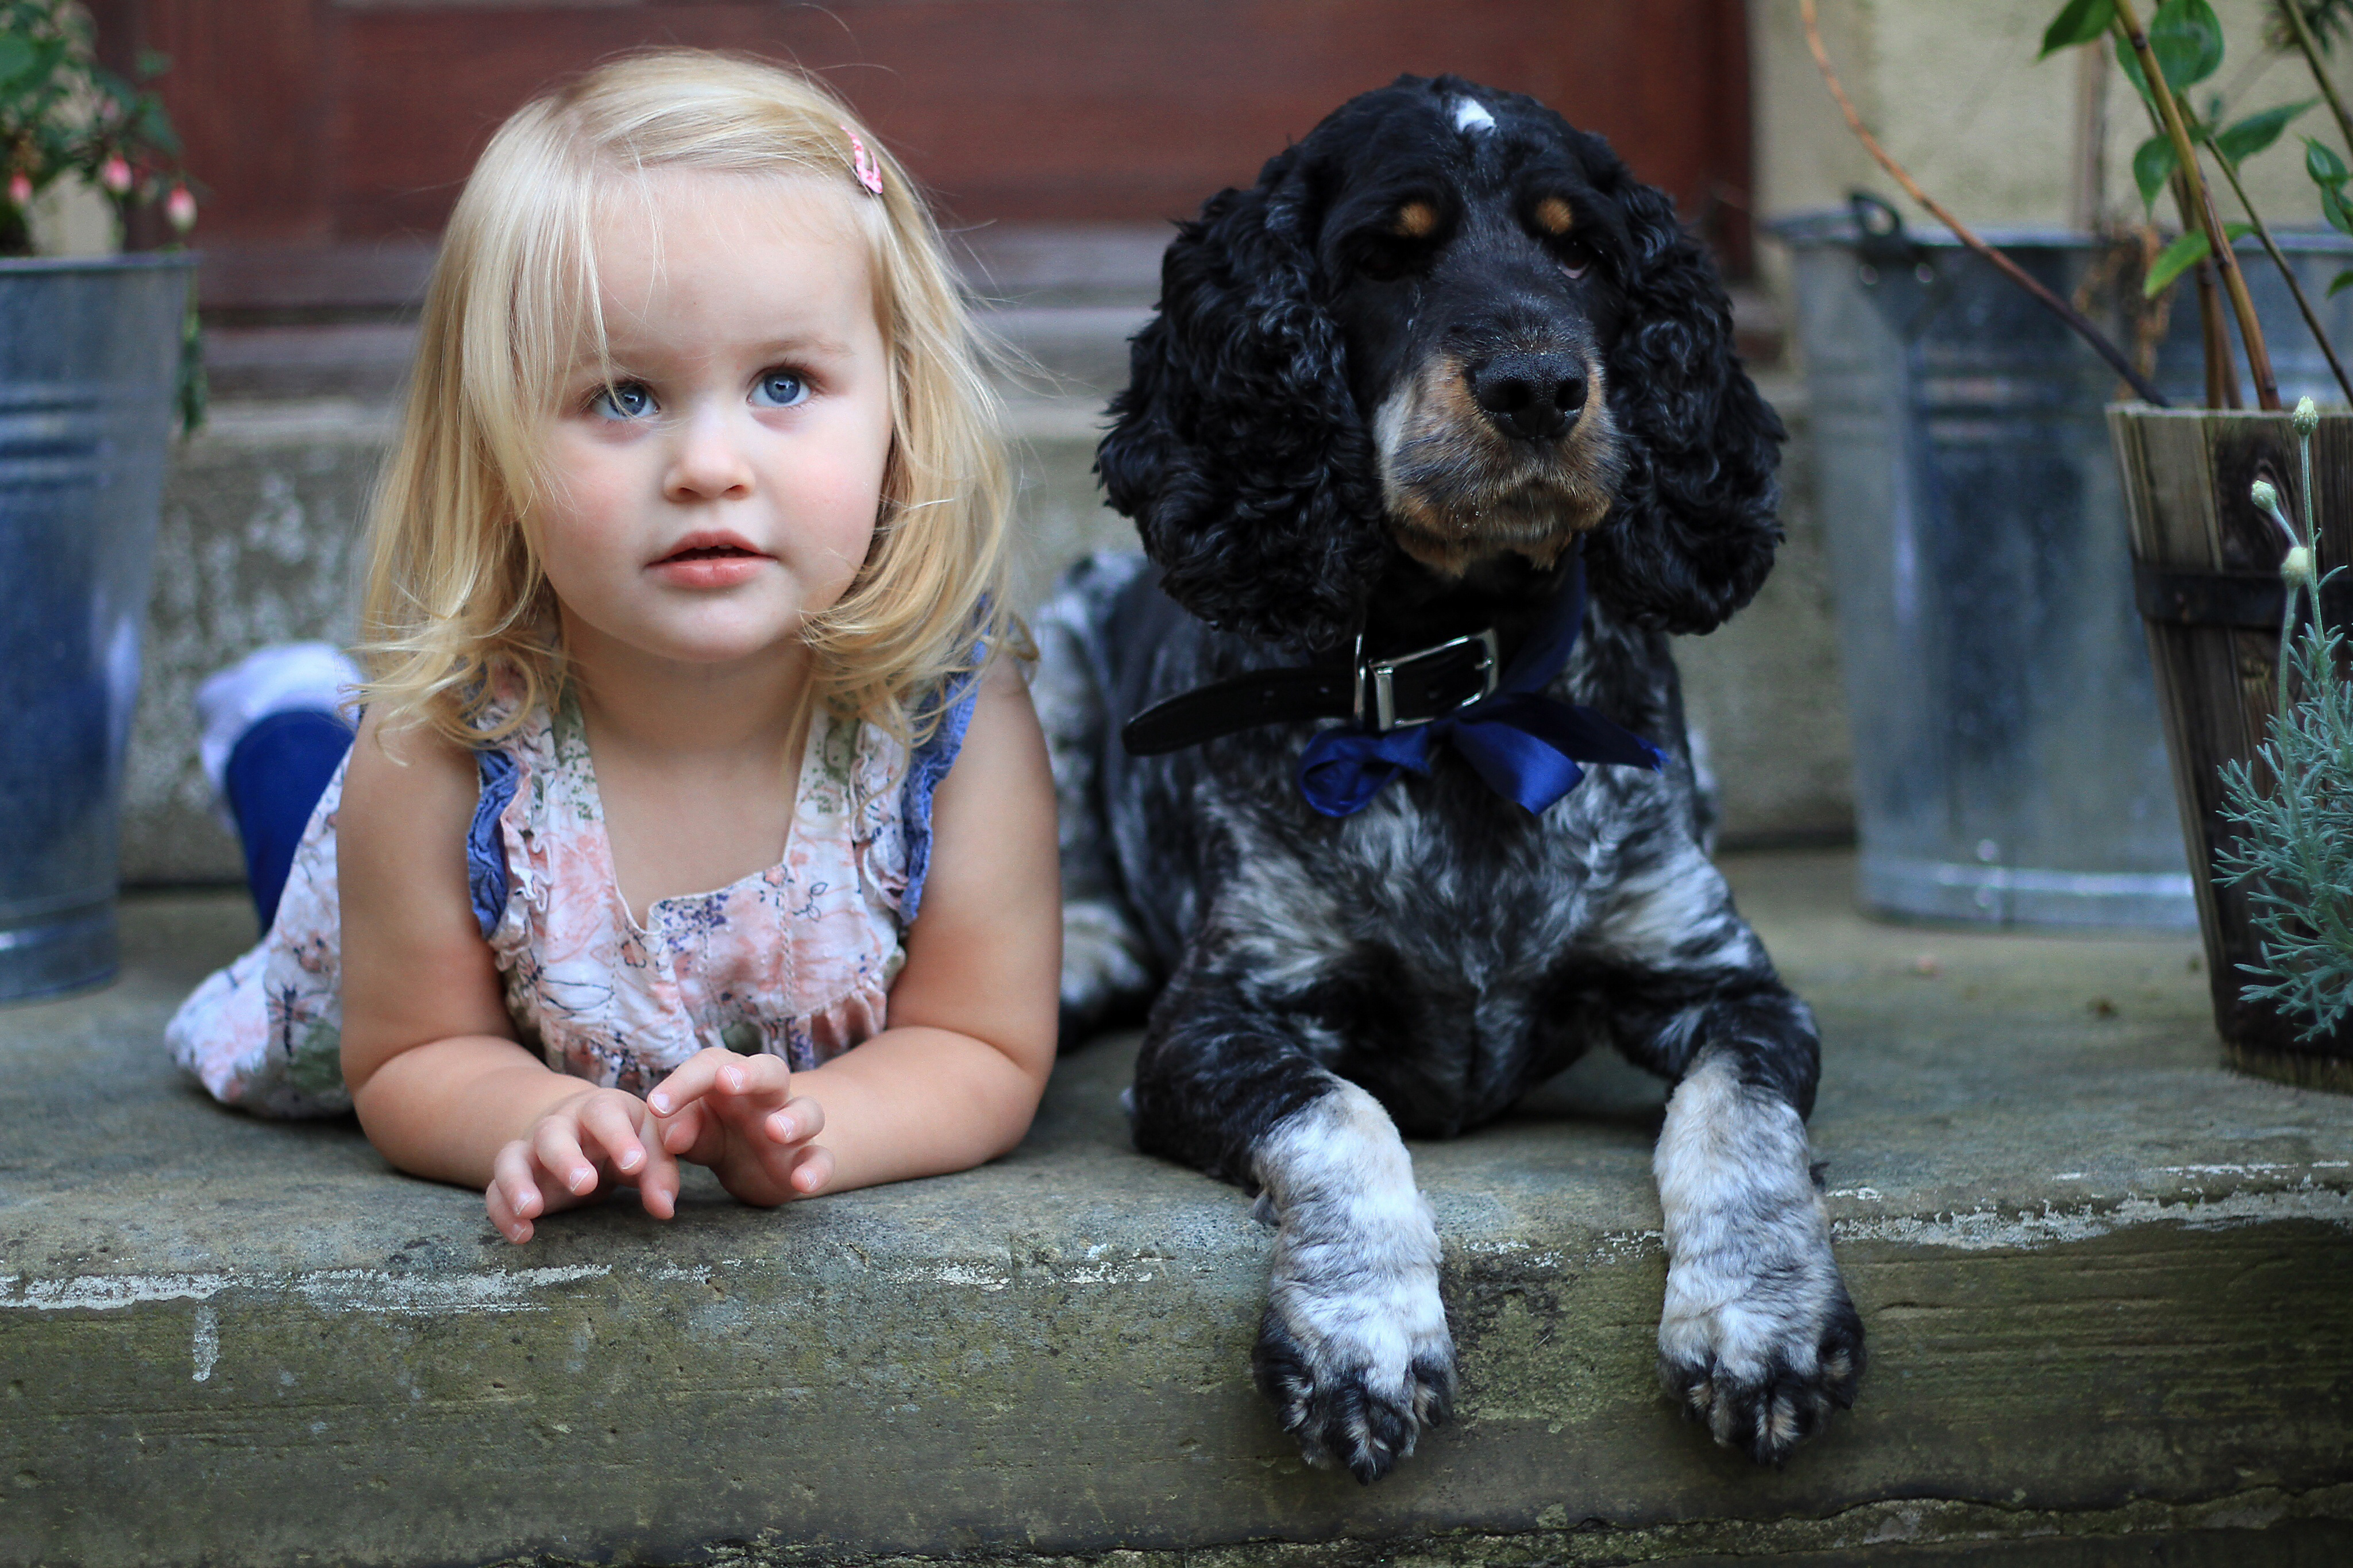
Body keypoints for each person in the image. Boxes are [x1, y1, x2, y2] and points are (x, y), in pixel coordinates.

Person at [166, 51, 1060, 1245]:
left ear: (900, 410)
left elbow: (982, 1042)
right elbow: (413, 1050)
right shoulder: (442, 736)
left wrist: (815, 1130)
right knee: (300, 836)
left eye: (784, 382)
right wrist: (531, 1115)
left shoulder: (950, 715)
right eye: (625, 397)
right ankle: (277, 721)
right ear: (494, 450)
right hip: (375, 894)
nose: (709, 466)